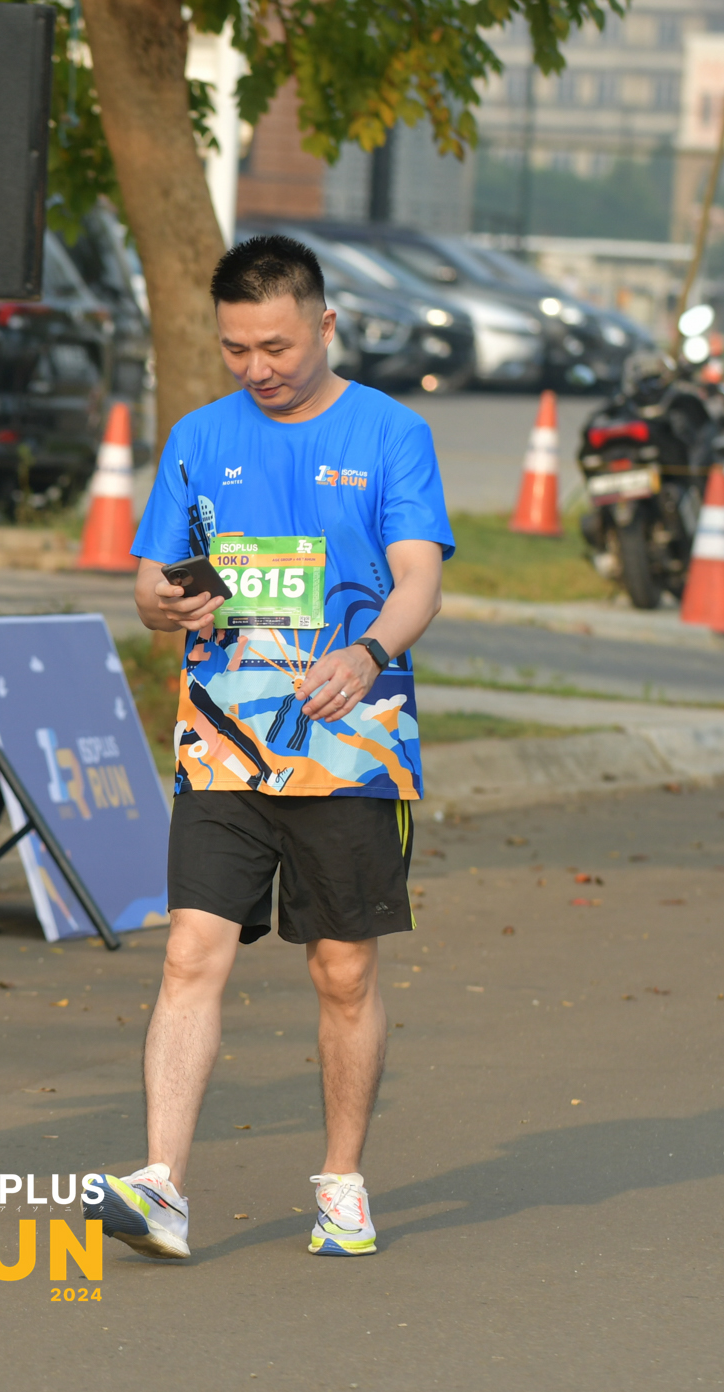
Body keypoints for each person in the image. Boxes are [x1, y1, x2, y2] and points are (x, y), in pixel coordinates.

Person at [86, 234, 453, 1260]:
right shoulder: (199, 438)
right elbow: (151, 584)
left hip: (351, 749)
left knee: (341, 971)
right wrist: (165, 601)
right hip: (221, 746)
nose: (257, 367)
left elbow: (419, 579)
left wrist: (370, 653)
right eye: (236, 348)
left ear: (324, 324)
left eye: (277, 346)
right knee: (189, 952)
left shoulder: (391, 432)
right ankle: (161, 1182)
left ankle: (341, 1180)